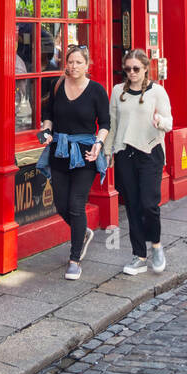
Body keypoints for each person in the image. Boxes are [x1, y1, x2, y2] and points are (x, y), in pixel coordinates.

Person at [36, 45, 110, 281]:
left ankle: (74, 259)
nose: (74, 66)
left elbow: (106, 123)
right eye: (70, 62)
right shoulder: (57, 86)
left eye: (79, 62)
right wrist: (45, 133)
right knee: (60, 204)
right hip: (60, 151)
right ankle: (83, 232)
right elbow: (48, 116)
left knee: (77, 205)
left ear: (87, 65)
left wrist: (99, 144)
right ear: (65, 63)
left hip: (86, 153)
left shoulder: (97, 91)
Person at [106, 48, 173, 276]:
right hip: (125, 153)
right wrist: (108, 152)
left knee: (149, 205)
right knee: (133, 206)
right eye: (128, 69)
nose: (132, 73)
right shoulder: (117, 92)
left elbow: (169, 123)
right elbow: (112, 124)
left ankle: (156, 245)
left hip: (150, 152)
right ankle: (139, 256)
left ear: (146, 68)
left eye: (136, 69)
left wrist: (160, 121)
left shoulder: (158, 92)